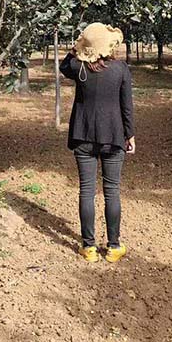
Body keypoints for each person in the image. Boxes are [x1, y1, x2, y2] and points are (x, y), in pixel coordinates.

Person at [60, 22, 135, 264]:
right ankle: (113, 247)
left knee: (87, 191)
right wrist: (130, 134)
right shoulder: (121, 69)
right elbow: (127, 106)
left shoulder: (78, 67)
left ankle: (89, 247)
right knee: (112, 191)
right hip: (113, 137)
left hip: (83, 136)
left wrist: (77, 48)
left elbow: (64, 64)